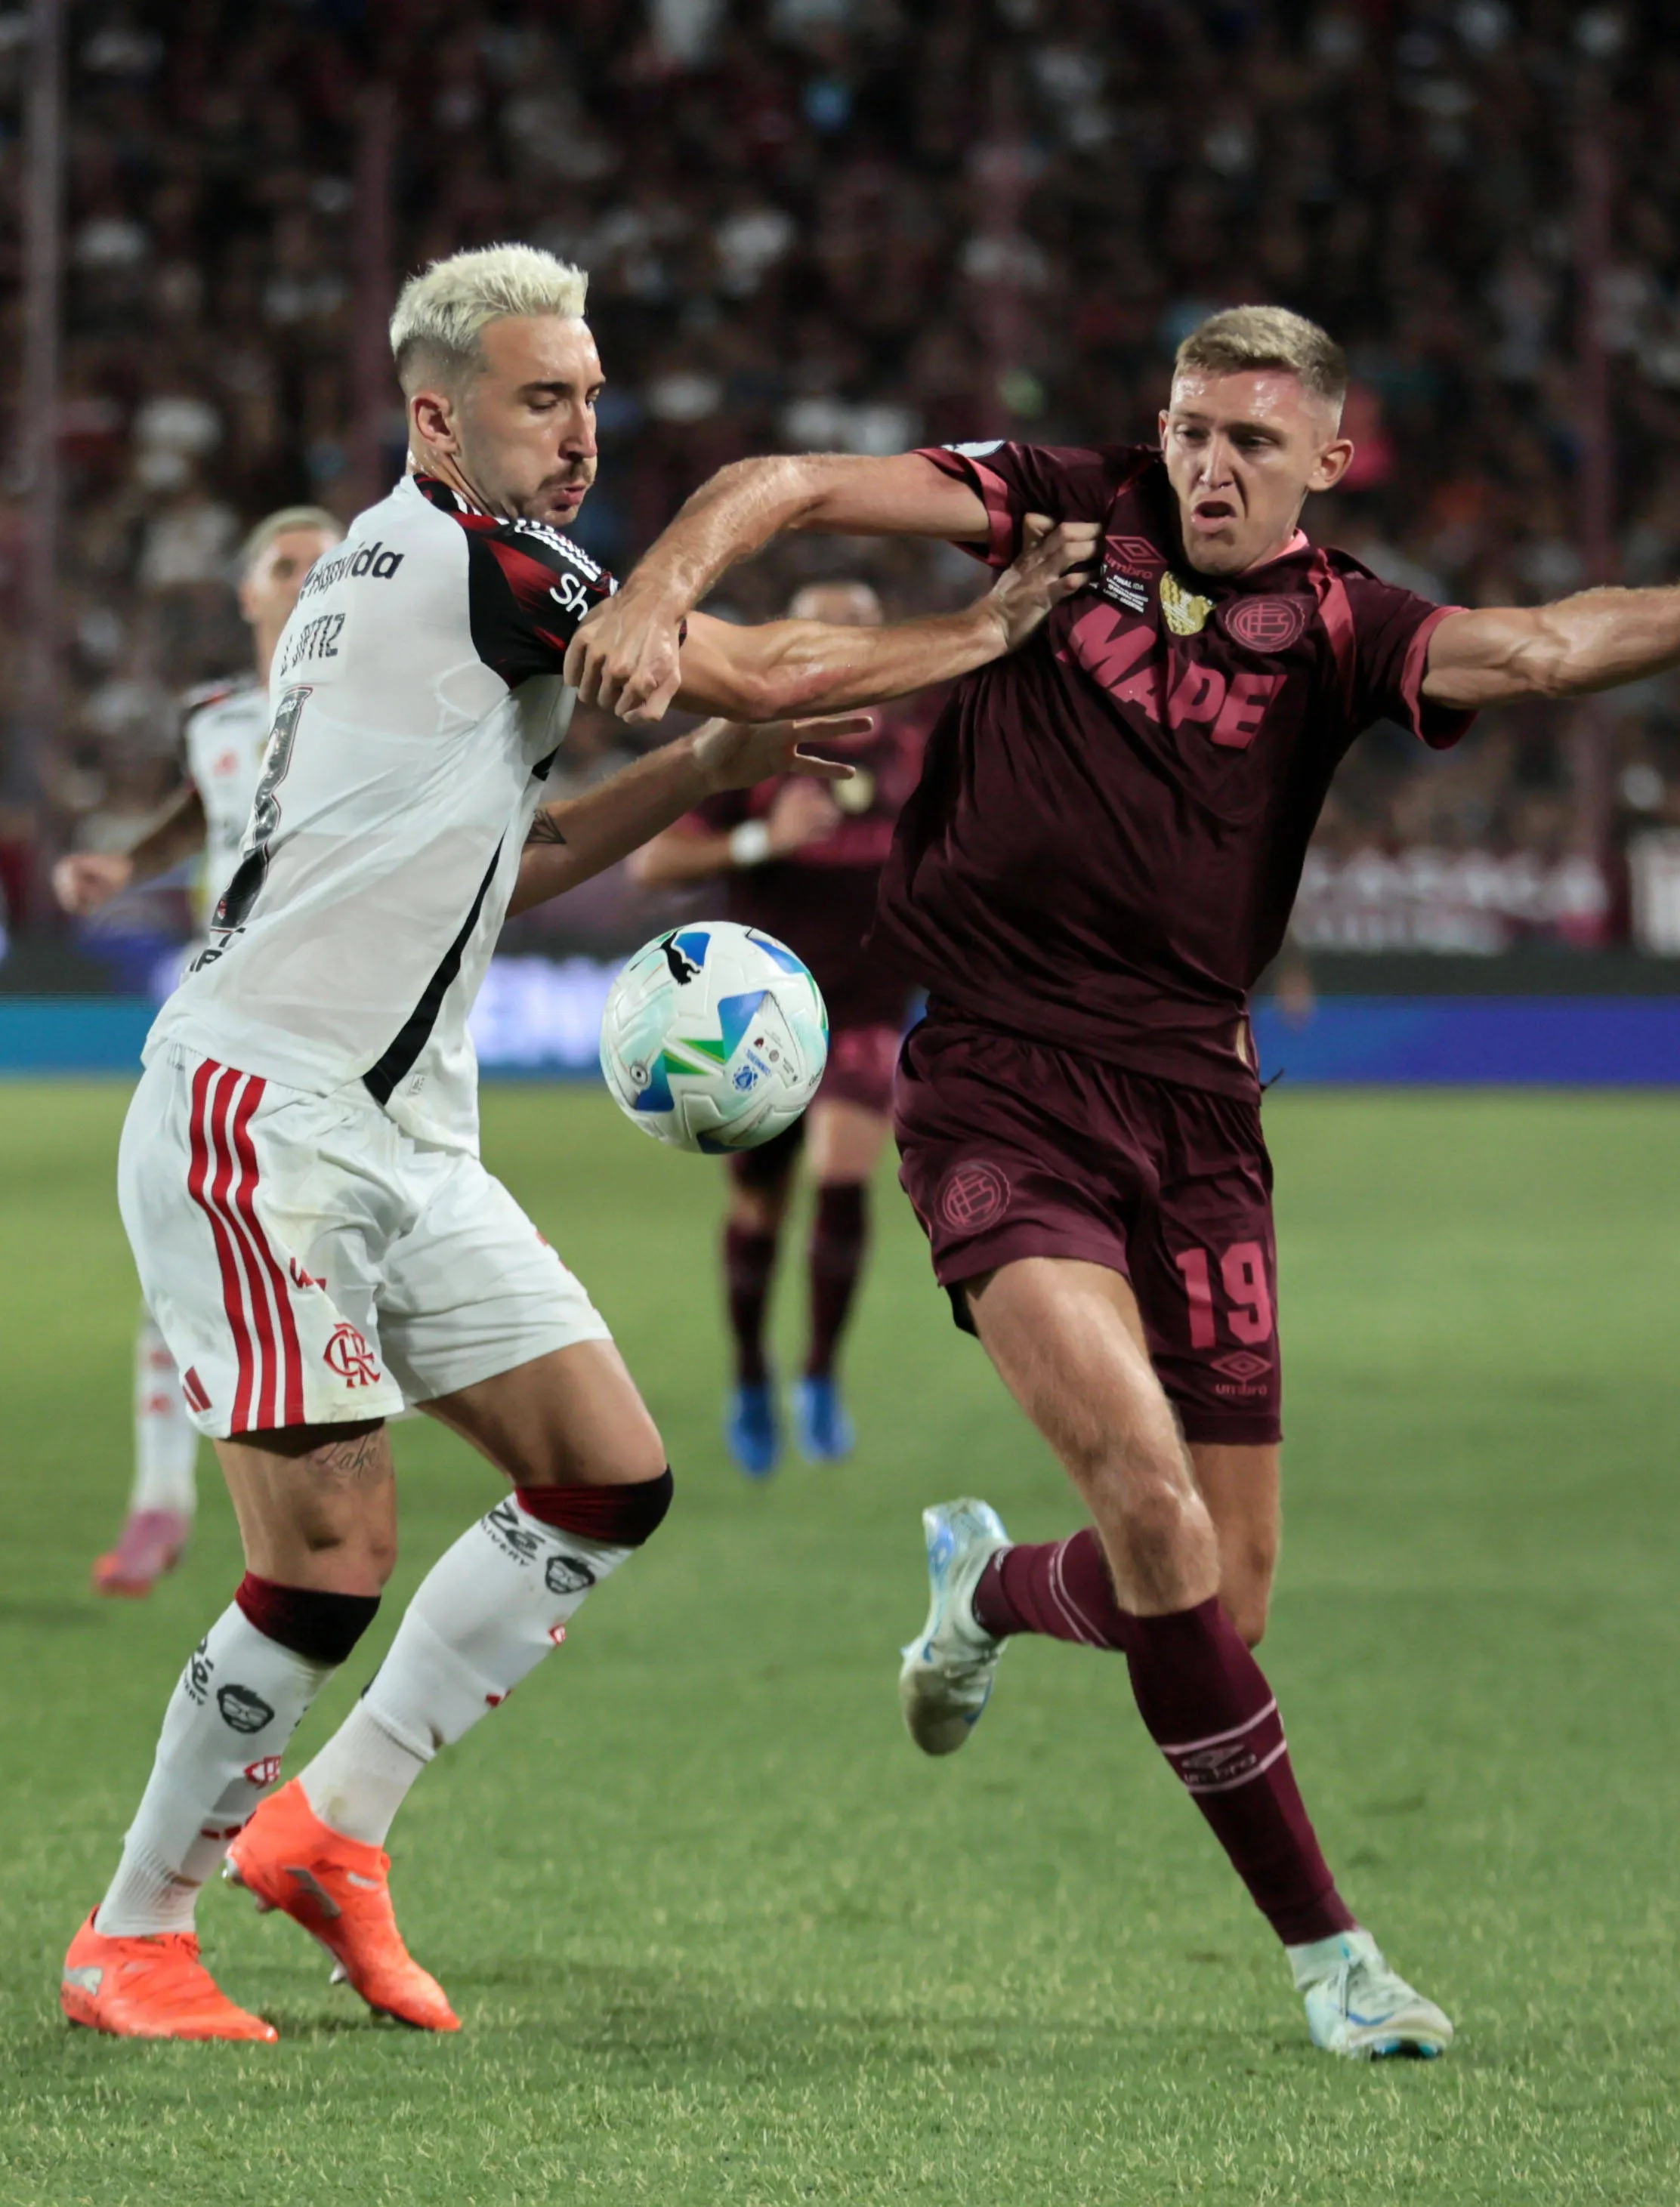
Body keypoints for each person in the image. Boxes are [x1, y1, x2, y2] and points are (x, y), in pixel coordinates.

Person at [564, 304, 1680, 2059]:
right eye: (1190, 427)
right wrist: (658, 586)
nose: (1206, 464)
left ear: (1325, 458)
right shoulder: (1064, 509)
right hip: (997, 1086)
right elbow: (790, 481)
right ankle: (1332, 1959)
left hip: (1203, 1118)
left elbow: (1538, 650)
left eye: (1247, 441)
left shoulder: (1344, 625)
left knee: (1219, 1596)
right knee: (1149, 1496)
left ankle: (982, 1591)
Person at [59, 242, 1097, 2043]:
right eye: (546, 400)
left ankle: (332, 1826)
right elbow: (752, 653)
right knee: (324, 1556)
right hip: (261, 1118)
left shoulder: (408, 585)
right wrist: (988, 633)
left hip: (400, 1134)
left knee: (606, 1471)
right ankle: (134, 1932)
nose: (581, 431)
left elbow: (516, 858)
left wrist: (698, 773)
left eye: (594, 397)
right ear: (434, 417)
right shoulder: (473, 556)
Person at [54, 505, 343, 1598]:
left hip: (346, 1017)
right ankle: (159, 1499)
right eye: (288, 562)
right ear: (247, 595)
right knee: (179, 1251)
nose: (312, 574)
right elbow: (200, 810)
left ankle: (316, 1490)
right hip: (222, 1009)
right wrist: (118, 865)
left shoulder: (400, 706)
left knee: (331, 1257)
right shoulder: (217, 717)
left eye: (332, 560)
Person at [629, 580, 937, 1476]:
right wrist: (761, 842)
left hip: (872, 1005)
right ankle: (751, 1374)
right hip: (755, 1014)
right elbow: (656, 862)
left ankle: (819, 1375)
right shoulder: (755, 748)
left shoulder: (918, 750)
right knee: (760, 1207)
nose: (843, 644)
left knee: (845, 1178)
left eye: (861, 628)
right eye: (826, 628)